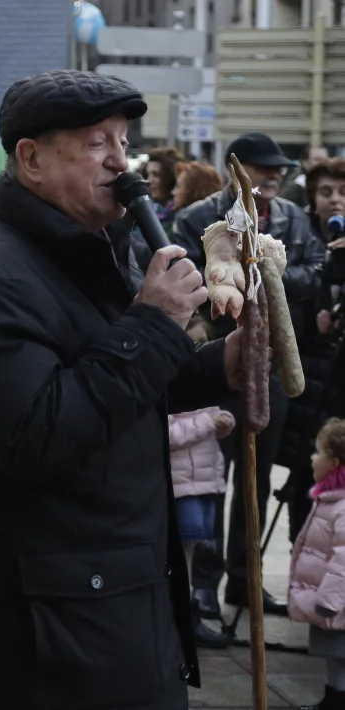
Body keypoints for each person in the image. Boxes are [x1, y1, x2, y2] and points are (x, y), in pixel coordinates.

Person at [0, 69, 245, 707]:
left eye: (124, 142)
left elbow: (128, 381)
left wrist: (222, 365)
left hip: (99, 596)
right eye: (97, 144)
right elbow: (34, 435)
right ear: (31, 159)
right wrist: (151, 322)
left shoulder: (88, 246)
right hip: (42, 633)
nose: (122, 164)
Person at [173, 131, 325, 620]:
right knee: (212, 477)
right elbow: (190, 281)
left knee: (255, 480)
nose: (276, 175)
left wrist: (265, 270)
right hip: (215, 362)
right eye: (265, 168)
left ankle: (247, 580)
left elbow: (314, 274)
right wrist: (235, 270)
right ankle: (205, 583)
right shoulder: (197, 219)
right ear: (240, 170)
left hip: (274, 365)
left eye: (280, 168)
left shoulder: (293, 218)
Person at [280, 157, 345, 547]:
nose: (335, 200)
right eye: (326, 192)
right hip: (309, 384)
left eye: (342, 193)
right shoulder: (301, 245)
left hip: (339, 380)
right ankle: (301, 565)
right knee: (308, 475)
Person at [169, 314, 235, 650]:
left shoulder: (205, 385)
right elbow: (168, 433)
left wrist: (223, 422)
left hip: (204, 484)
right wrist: (207, 424)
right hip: (180, 487)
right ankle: (180, 616)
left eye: (200, 346)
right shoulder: (167, 383)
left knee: (194, 552)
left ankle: (192, 608)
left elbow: (212, 419)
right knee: (179, 555)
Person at [288, 417, 345, 710]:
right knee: (335, 657)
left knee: (341, 653)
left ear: (334, 462)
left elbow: (344, 560)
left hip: (337, 603)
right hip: (333, 602)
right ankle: (334, 699)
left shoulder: (342, 507)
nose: (313, 457)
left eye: (319, 451)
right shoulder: (331, 500)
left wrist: (330, 600)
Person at [282, 143, 330, 208]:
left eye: (326, 159)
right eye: (318, 159)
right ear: (305, 163)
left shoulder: (330, 179)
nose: (323, 163)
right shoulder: (298, 182)